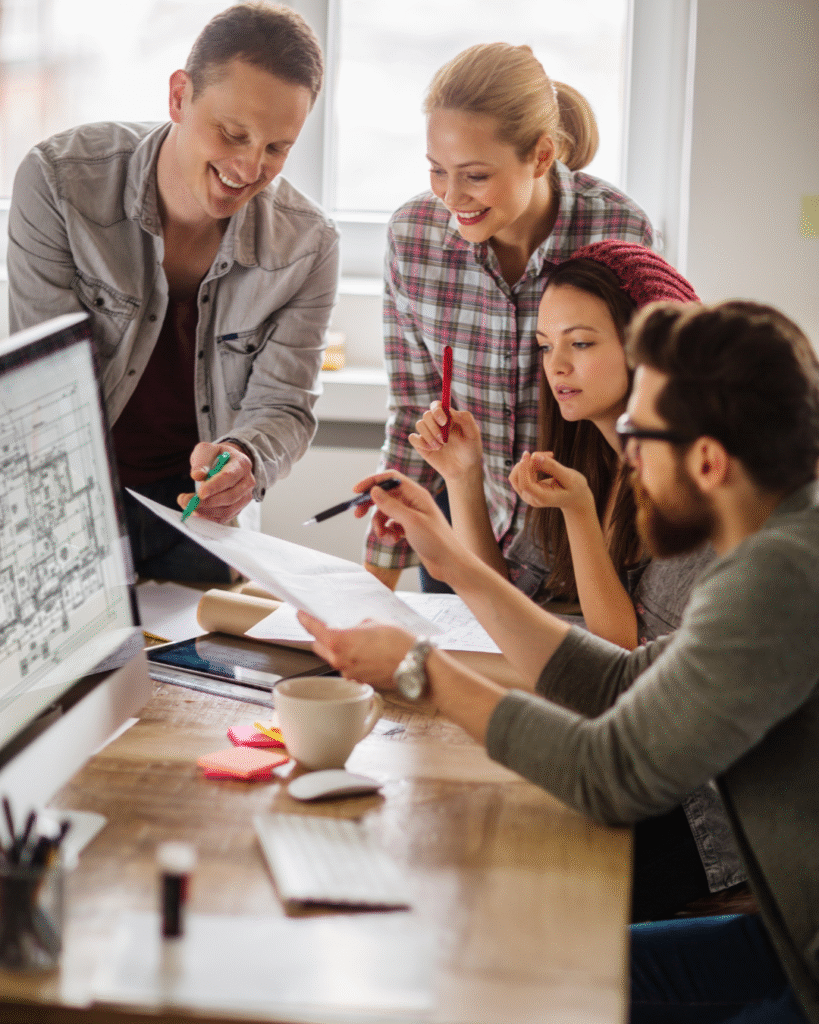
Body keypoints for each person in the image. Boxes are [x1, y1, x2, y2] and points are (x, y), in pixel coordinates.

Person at [300, 299, 819, 1023]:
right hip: (785, 941)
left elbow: (608, 774)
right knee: (521, 970)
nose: (626, 455)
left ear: (706, 460)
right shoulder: (785, 541)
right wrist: (448, 556)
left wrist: (421, 671)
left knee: (521, 990)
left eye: (640, 434)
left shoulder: (780, 575)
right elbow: (619, 681)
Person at [409, 239, 746, 920]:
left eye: (581, 343)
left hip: (694, 809)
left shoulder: (703, 493)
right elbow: (507, 600)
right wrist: (462, 481)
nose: (556, 366)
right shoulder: (586, 455)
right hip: (624, 753)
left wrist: (582, 520)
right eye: (544, 345)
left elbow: (622, 663)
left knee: (501, 870)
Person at [7, 1, 339, 582]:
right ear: (179, 96)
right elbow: (46, 388)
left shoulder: (309, 245)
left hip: (196, 517)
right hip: (64, 499)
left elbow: (284, 406)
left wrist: (246, 459)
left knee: (201, 671)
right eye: (233, 133)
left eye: (276, 148)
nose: (249, 166)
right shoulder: (60, 182)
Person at [364, 41, 654, 591]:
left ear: (541, 156)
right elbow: (414, 411)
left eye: (475, 175)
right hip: (467, 536)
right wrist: (374, 581)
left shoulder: (617, 230)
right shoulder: (413, 237)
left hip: (592, 548)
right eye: (436, 171)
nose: (453, 197)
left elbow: (644, 404)